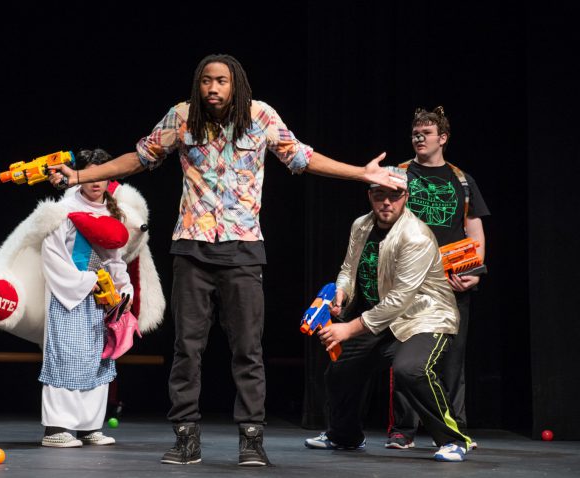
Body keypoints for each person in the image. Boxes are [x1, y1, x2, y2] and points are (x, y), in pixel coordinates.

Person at [48, 53, 404, 466]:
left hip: (243, 249)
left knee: (248, 350)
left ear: (235, 84)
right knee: (187, 349)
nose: (213, 88)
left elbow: (303, 158)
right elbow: (138, 157)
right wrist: (78, 177)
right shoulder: (181, 117)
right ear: (197, 85)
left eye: (221, 81)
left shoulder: (261, 116)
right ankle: (185, 437)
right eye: (206, 81)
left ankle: (251, 439)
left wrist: (361, 174)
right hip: (192, 248)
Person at [303, 167, 473, 462]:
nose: (386, 202)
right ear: (370, 195)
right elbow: (348, 269)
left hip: (425, 316)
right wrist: (342, 293)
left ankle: (453, 439)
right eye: (379, 194)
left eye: (393, 196)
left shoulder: (416, 236)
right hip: (385, 320)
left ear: (405, 197)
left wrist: (348, 328)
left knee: (411, 369)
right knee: (342, 367)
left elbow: (399, 299)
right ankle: (345, 436)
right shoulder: (361, 226)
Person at [385, 107, 490, 450]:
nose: (419, 138)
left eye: (426, 133)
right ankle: (403, 429)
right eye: (415, 132)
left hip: (451, 280)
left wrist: (474, 271)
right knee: (406, 357)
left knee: (451, 360)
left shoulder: (461, 179)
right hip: (409, 280)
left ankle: (454, 429)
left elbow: (473, 226)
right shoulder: (399, 174)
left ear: (442, 138)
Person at [39, 148, 134, 448]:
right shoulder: (63, 209)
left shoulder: (112, 212)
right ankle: (57, 428)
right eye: (92, 174)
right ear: (80, 176)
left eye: (103, 175)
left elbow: (115, 260)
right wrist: (83, 281)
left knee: (97, 359)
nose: (96, 182)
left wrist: (124, 289)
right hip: (71, 294)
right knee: (66, 357)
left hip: (102, 297)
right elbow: (52, 254)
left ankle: (89, 426)